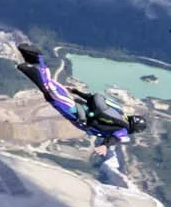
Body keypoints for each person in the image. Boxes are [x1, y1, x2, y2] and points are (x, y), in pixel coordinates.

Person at [18, 44, 146, 170]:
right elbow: (115, 138)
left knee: (53, 91)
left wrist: (77, 92)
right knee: (51, 93)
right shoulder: (123, 130)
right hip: (77, 114)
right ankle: (35, 63)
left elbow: (93, 99)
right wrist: (105, 146)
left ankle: (35, 60)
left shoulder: (120, 113)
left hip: (81, 108)